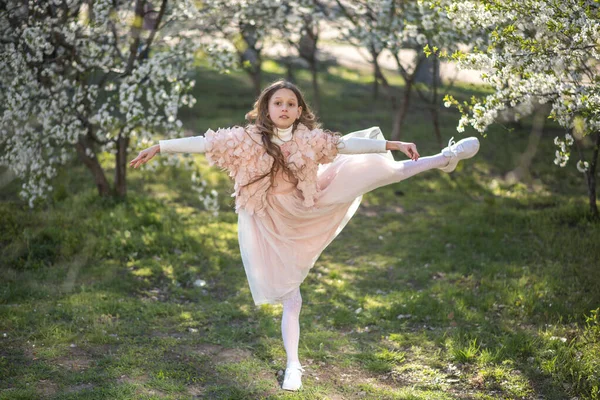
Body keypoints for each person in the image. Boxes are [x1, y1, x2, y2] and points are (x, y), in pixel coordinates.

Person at [129, 79, 480, 391]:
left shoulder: (309, 139)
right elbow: (204, 143)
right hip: (267, 219)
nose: (284, 108)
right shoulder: (245, 138)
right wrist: (160, 146)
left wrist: (393, 143)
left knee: (374, 171)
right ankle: (293, 364)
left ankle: (443, 157)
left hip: (307, 204)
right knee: (291, 297)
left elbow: (344, 146)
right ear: (266, 108)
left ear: (299, 112)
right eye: (278, 103)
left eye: (291, 104)